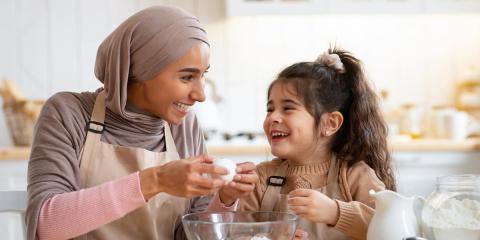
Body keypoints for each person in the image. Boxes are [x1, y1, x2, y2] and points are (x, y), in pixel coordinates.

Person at [26, 5, 258, 240]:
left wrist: (225, 200)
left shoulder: (183, 126)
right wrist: (156, 180)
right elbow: (48, 226)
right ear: (141, 70)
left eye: (203, 75)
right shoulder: (69, 113)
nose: (200, 95)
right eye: (187, 77)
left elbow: (190, 236)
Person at [240, 47, 396, 240]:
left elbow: (390, 227)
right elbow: (237, 233)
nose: (273, 117)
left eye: (287, 108)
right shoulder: (261, 178)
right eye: (270, 109)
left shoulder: (354, 175)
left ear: (330, 123)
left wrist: (336, 213)